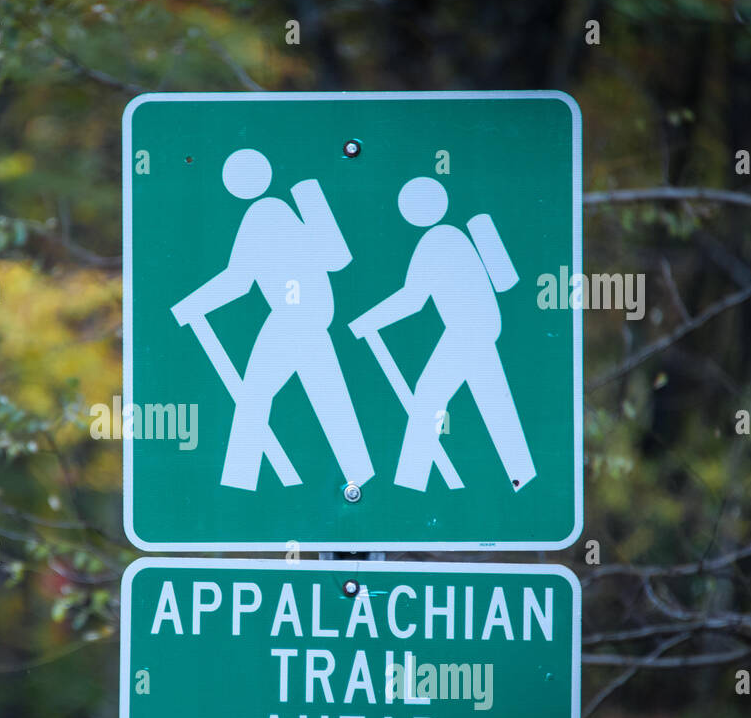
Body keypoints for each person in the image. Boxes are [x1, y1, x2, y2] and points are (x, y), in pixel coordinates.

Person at [171, 148, 374, 492]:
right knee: (328, 401)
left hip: (291, 322)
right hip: (310, 322)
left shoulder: (263, 214)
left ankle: (239, 483)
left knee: (255, 398)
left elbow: (238, 279)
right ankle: (362, 476)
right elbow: (245, 278)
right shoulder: (281, 212)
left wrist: (190, 306)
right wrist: (192, 306)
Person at [348, 177, 535, 492]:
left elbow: (413, 299)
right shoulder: (454, 235)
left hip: (466, 331)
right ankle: (523, 476)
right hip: (480, 327)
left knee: (428, 395)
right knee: (491, 400)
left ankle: (409, 484)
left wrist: (366, 322)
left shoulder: (436, 241)